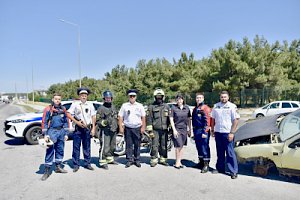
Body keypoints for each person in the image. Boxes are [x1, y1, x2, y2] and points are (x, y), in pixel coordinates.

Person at [211, 91, 239, 179]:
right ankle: (220, 168)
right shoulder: (216, 106)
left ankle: (233, 171)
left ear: (228, 97)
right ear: (220, 97)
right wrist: (212, 129)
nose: (223, 98)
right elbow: (213, 119)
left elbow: (236, 120)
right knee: (220, 152)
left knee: (230, 153)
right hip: (218, 132)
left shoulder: (232, 106)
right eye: (222, 97)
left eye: (225, 97)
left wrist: (232, 133)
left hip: (227, 133)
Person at [40, 93, 69, 181]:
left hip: (61, 132)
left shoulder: (63, 109)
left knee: (60, 149)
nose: (57, 100)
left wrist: (66, 133)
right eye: (56, 99)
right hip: (51, 131)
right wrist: (45, 134)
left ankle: (58, 167)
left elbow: (66, 121)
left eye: (59, 99)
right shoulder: (48, 109)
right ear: (52, 99)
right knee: (50, 151)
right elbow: (44, 122)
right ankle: (47, 170)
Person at [68, 87, 96, 172]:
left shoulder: (90, 104)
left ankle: (87, 163)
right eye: (82, 95)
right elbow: (69, 114)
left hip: (87, 128)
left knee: (87, 147)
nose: (84, 97)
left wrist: (93, 128)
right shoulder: (75, 104)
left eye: (85, 95)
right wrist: (77, 122)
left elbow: (93, 116)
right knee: (76, 147)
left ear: (87, 96)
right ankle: (76, 165)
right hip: (78, 128)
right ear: (79, 96)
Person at [118, 89, 146, 168]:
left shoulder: (140, 105)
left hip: (137, 127)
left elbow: (143, 117)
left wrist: (143, 127)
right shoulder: (124, 105)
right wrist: (120, 127)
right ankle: (130, 160)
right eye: (131, 96)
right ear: (128, 97)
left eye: (133, 96)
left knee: (137, 144)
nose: (132, 97)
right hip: (128, 128)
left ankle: (137, 159)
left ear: (136, 97)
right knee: (129, 145)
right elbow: (120, 116)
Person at [146, 88, 170, 167]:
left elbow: (170, 118)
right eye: (157, 97)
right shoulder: (151, 107)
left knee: (164, 145)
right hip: (155, 130)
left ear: (163, 97)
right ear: (155, 97)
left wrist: (170, 129)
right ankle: (154, 160)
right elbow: (149, 119)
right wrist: (150, 131)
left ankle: (163, 159)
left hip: (165, 130)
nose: (159, 98)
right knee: (154, 145)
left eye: (160, 97)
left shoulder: (167, 106)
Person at [96, 90, 119, 170]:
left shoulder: (113, 107)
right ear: (104, 99)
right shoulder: (101, 109)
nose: (108, 99)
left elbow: (117, 117)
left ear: (111, 98)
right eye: (106, 98)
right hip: (105, 131)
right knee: (105, 147)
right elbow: (98, 121)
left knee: (112, 146)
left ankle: (109, 159)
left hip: (113, 130)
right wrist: (105, 122)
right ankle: (102, 161)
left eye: (109, 98)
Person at [169, 93, 192, 169]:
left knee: (182, 146)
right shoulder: (173, 108)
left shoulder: (187, 108)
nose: (179, 101)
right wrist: (174, 130)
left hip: (184, 129)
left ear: (183, 100)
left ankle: (180, 161)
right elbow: (171, 119)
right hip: (177, 128)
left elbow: (189, 119)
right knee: (178, 145)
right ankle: (177, 162)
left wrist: (189, 129)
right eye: (178, 99)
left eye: (180, 99)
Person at [191, 92, 211, 173]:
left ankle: (206, 164)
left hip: (203, 130)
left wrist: (205, 131)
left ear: (203, 99)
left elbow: (207, 121)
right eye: (197, 98)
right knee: (198, 147)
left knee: (204, 147)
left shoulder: (205, 108)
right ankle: (201, 162)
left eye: (200, 98)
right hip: (196, 130)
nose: (198, 99)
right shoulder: (195, 108)